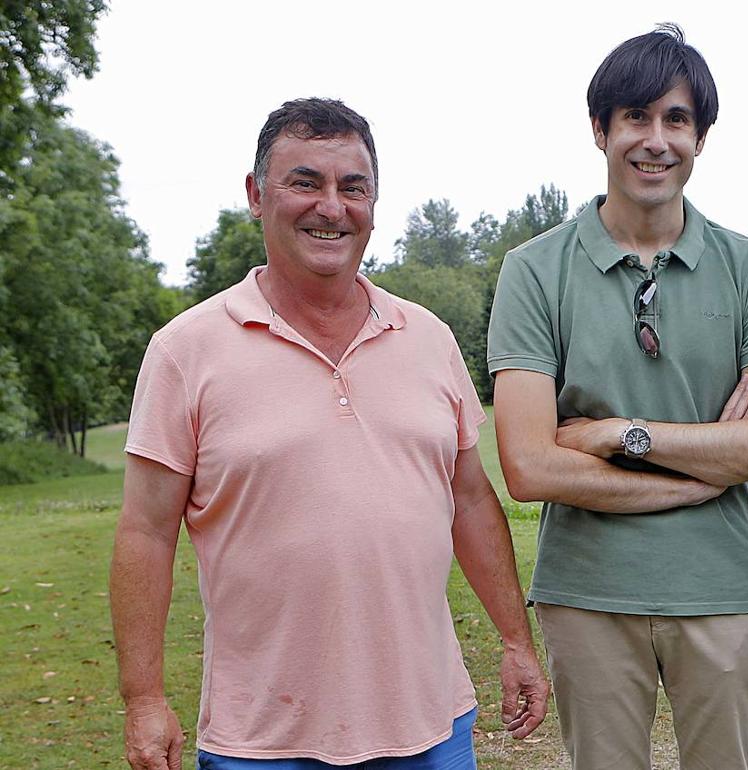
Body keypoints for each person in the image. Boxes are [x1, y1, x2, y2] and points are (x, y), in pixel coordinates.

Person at [110, 98, 548, 770]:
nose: (332, 207)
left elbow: (470, 500)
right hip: (260, 741)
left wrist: (516, 641)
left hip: (431, 727)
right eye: (305, 182)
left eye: (354, 187)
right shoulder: (184, 352)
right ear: (257, 196)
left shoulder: (428, 339)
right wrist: (144, 699)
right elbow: (145, 531)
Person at [487, 24, 748, 770]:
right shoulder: (533, 272)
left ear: (701, 138)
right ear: (600, 130)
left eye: (677, 120)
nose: (655, 140)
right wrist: (700, 478)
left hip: (721, 591)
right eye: (635, 117)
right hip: (587, 593)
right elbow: (530, 468)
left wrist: (617, 433)